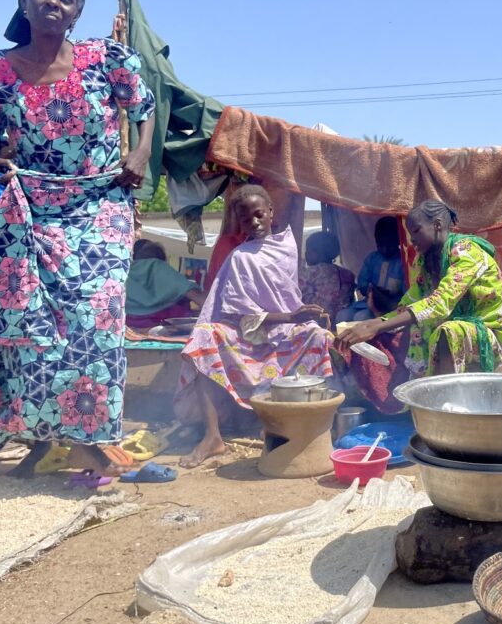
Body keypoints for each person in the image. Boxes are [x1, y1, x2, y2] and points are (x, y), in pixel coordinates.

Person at [0, 0, 155, 477]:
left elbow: (143, 108)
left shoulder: (106, 58)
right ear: (23, 0)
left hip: (100, 205)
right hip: (30, 209)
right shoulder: (0, 72)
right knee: (36, 324)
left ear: (76, 14)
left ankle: (91, 439)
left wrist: (142, 153)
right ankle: (42, 435)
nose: (53, 1)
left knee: (97, 318)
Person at [175, 185, 336, 467]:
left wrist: (300, 317)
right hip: (249, 333)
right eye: (246, 219)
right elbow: (240, 317)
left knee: (317, 335)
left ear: (271, 212)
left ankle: (307, 427)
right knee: (203, 338)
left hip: (284, 332)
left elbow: (288, 299)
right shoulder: (240, 257)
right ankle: (212, 437)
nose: (254, 223)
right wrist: (291, 317)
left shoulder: (287, 245)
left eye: (259, 215)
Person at [335, 199, 502, 376]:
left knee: (447, 331)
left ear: (437, 225)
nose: (411, 239)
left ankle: (443, 398)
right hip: (454, 324)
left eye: (416, 231)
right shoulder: (427, 259)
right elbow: (412, 303)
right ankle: (413, 392)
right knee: (409, 329)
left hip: (489, 332)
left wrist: (375, 327)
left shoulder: (467, 252)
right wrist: (371, 324)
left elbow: (439, 303)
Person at [125, 240, 206, 329]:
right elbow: (194, 295)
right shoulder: (159, 267)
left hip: (127, 325)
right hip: (159, 327)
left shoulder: (127, 271)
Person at [338, 216, 406, 322]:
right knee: (342, 316)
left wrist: (386, 297)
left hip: (391, 308)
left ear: (398, 240)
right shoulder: (372, 258)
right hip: (368, 303)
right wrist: (370, 291)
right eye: (381, 245)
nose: (385, 249)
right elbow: (362, 284)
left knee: (360, 318)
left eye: (390, 245)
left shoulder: (403, 262)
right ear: (376, 240)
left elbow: (406, 294)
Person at [300, 231, 355, 323]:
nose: (305, 254)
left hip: (316, 319)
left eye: (308, 251)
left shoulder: (308, 272)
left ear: (316, 253)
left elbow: (298, 295)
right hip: (343, 319)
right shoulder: (348, 274)